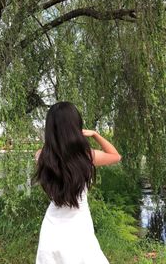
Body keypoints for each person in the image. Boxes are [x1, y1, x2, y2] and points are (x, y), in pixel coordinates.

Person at [33, 101, 121, 264]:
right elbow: (115, 156)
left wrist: (54, 140)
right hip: (79, 225)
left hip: (51, 226)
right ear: (76, 125)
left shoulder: (41, 156)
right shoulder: (87, 156)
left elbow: (53, 149)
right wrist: (95, 134)